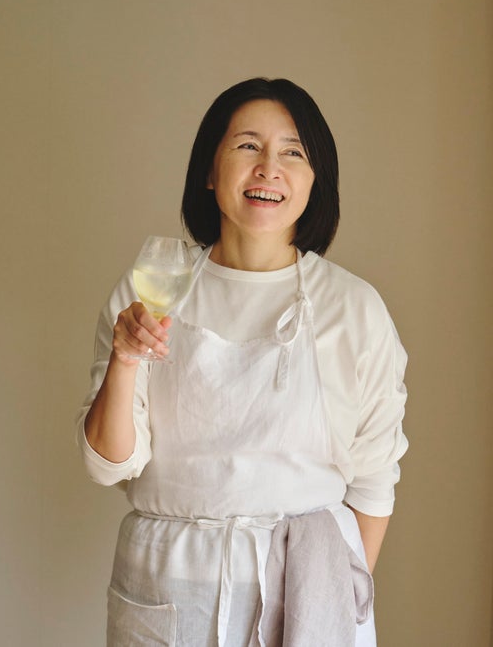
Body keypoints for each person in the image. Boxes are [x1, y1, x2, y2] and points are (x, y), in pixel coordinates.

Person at [76, 77, 408, 646]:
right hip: (166, 586)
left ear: (315, 181)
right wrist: (125, 358)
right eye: (247, 145)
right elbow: (107, 464)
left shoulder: (353, 307)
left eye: (292, 153)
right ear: (210, 170)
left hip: (305, 592)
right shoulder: (151, 290)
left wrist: (336, 600)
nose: (268, 168)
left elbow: (375, 481)